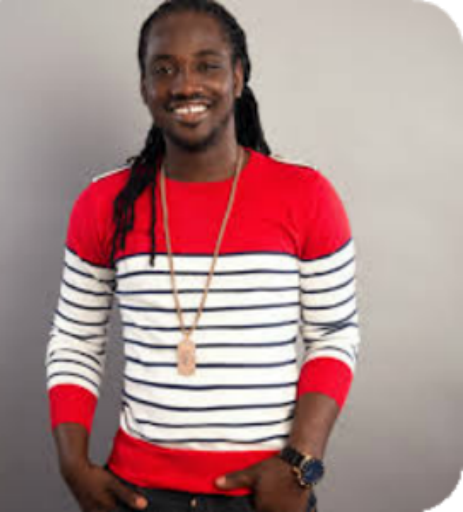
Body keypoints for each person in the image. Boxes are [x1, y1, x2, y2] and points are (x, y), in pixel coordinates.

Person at [45, 1, 361, 511]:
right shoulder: (105, 203)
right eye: (163, 68)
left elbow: (334, 334)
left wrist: (301, 462)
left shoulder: (306, 195)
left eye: (207, 65)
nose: (185, 84)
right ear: (144, 86)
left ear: (237, 77)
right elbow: (75, 340)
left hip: (266, 491)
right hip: (137, 492)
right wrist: (73, 466)